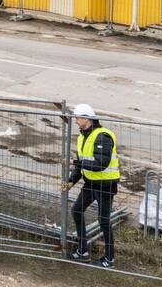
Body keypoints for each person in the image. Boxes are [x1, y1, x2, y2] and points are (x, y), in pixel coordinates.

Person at [64, 103, 119, 268]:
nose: (76, 121)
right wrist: (69, 182)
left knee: (103, 220)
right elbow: (81, 166)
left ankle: (109, 258)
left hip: (105, 185)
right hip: (90, 183)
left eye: (78, 118)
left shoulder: (103, 136)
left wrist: (74, 161)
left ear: (86, 119)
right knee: (77, 210)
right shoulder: (82, 137)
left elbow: (101, 163)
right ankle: (82, 250)